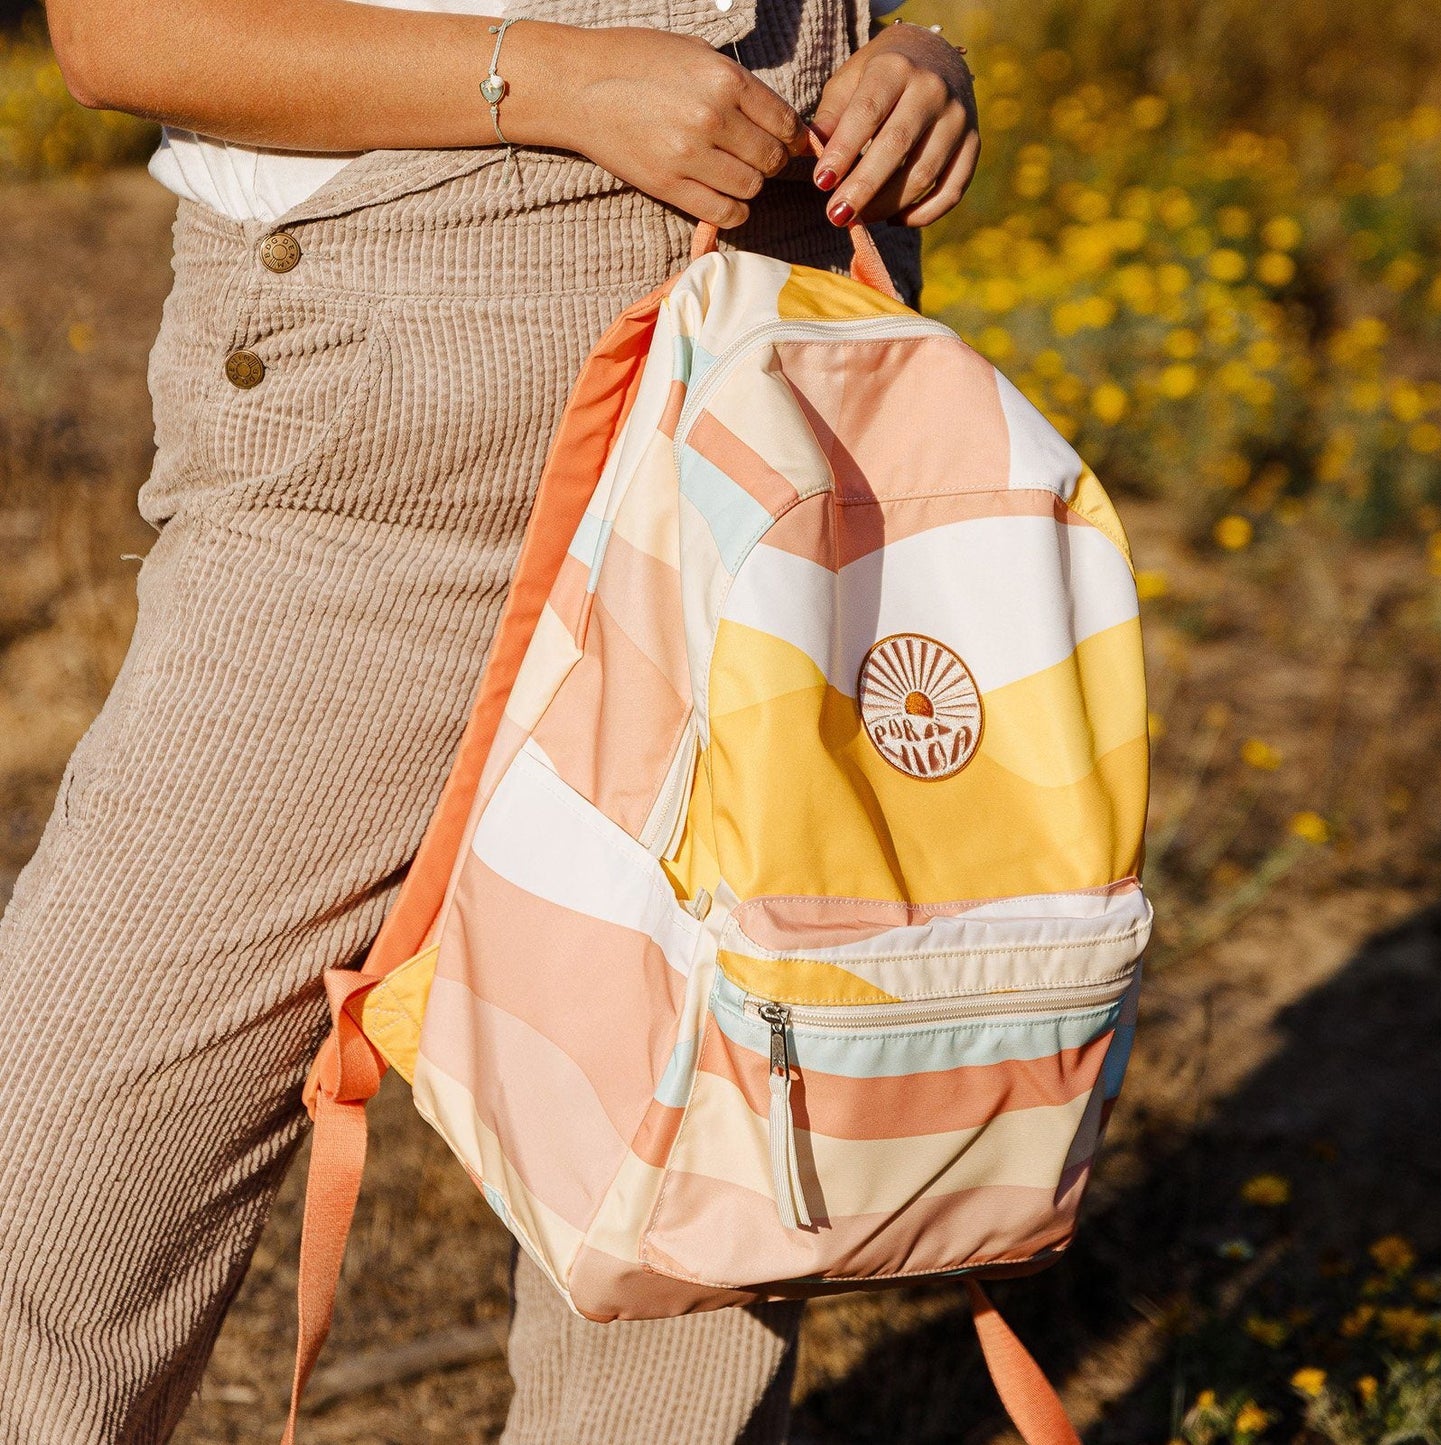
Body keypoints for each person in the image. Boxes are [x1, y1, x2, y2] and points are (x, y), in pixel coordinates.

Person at [0, 0, 977, 1440]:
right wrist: (557, 79)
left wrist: (917, 52)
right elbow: (119, 29)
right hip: (392, 415)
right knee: (71, 1160)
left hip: (775, 355)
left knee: (681, 1212)